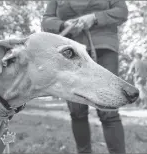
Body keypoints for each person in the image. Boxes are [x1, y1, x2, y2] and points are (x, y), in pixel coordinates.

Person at [41, 1, 128, 153]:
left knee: (109, 110)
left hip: (103, 49)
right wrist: (63, 25)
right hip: (71, 51)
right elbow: (47, 20)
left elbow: (122, 11)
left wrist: (94, 17)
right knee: (77, 111)